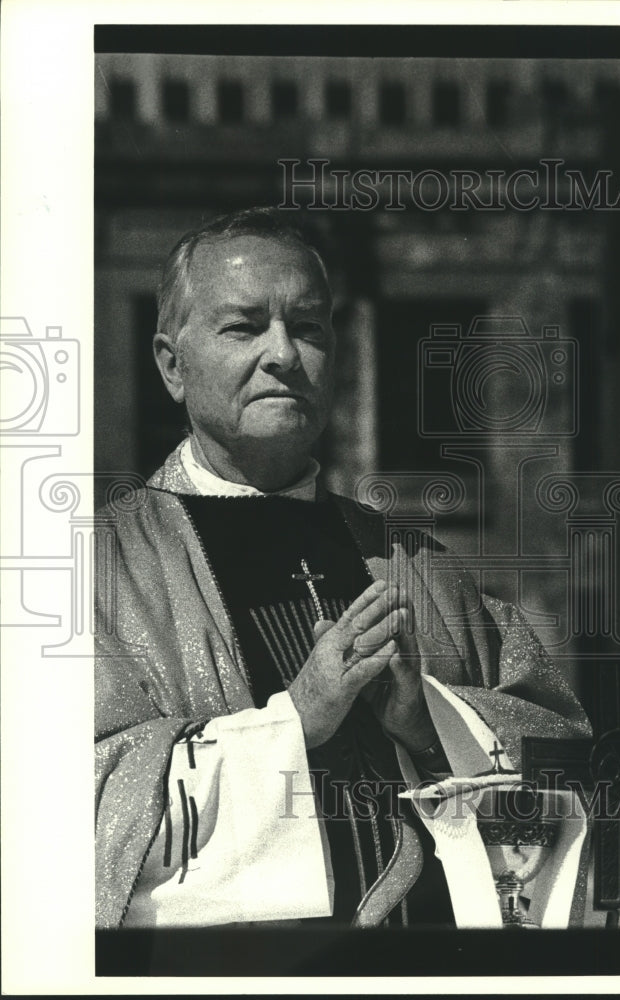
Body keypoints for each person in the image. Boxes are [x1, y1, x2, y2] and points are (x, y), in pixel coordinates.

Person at [94, 206, 591, 930]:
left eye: (308, 327)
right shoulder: (99, 571)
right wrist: (296, 722)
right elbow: (61, 813)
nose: (284, 354)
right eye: (244, 326)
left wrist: (431, 724)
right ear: (172, 364)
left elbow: (563, 775)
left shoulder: (418, 567)